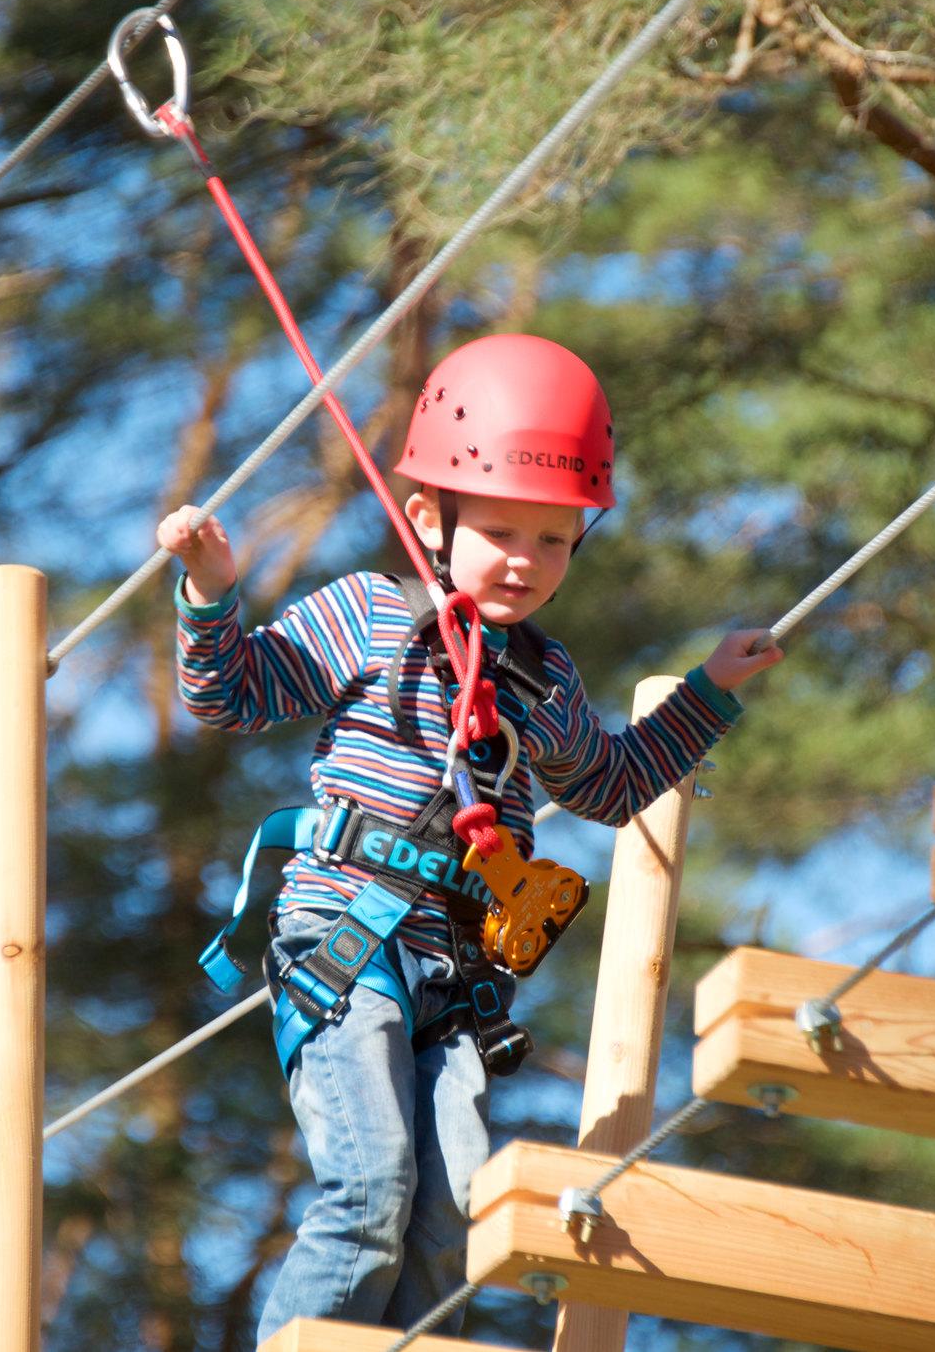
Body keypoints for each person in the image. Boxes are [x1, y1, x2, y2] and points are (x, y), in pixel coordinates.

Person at [158, 333, 783, 1339]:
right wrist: (210, 590)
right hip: (344, 936)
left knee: (448, 1218)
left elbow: (612, 785)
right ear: (426, 517)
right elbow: (229, 692)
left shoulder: (542, 677)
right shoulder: (372, 614)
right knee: (370, 1191)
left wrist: (708, 691)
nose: (525, 562)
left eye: (553, 541)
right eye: (498, 532)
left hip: (451, 972)